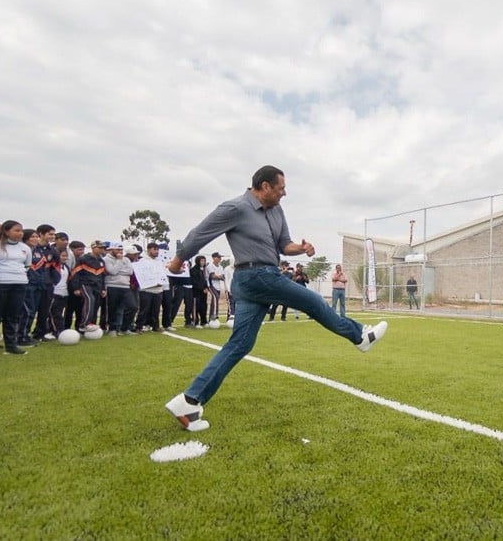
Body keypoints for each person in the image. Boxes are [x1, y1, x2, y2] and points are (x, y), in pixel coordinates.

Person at [163, 165, 388, 432]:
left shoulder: (277, 210)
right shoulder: (235, 208)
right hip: (254, 275)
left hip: (260, 278)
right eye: (281, 188)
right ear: (265, 186)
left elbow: (284, 245)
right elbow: (200, 234)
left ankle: (189, 401)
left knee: (240, 344)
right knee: (313, 302)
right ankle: (359, 336)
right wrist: (177, 261)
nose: (284, 193)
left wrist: (301, 248)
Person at [0, 221, 32, 357]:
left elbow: (27, 265)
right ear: (6, 231)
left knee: (12, 316)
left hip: (19, 283)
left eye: (21, 231)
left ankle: (11, 346)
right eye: (16, 230)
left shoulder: (25, 248)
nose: (20, 233)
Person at [70, 241, 107, 332]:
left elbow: (102, 276)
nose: (102, 250)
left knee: (96, 304)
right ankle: (84, 324)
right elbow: (75, 273)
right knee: (90, 300)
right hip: (85, 284)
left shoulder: (101, 261)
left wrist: (103, 288)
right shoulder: (83, 259)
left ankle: (91, 324)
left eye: (103, 248)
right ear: (93, 248)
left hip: (97, 286)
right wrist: (76, 287)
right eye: (100, 248)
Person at [103, 242, 137, 336]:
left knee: (133, 306)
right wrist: (118, 261)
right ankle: (112, 329)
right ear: (111, 249)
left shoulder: (126, 259)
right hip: (112, 285)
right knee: (113, 308)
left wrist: (118, 270)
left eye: (121, 250)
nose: (120, 252)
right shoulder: (106, 259)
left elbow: (130, 271)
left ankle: (124, 328)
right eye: (117, 249)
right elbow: (112, 271)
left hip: (125, 286)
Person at [134, 243, 168, 333]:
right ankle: (139, 326)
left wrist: (162, 282)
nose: (156, 252)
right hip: (146, 289)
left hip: (158, 290)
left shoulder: (159, 262)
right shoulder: (142, 261)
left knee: (156, 310)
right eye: (154, 249)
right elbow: (141, 275)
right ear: (149, 250)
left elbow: (163, 274)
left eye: (157, 250)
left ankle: (155, 326)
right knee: (144, 309)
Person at [189, 256, 209, 328]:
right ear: (198, 261)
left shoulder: (203, 270)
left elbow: (205, 280)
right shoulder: (193, 270)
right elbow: (194, 282)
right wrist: (202, 288)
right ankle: (195, 322)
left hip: (203, 292)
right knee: (196, 307)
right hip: (196, 292)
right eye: (201, 261)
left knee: (203, 307)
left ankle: (204, 321)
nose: (203, 262)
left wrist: (206, 288)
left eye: (204, 261)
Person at [206, 252, 226, 324]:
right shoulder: (210, 266)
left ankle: (213, 316)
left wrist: (218, 276)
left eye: (220, 257)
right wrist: (219, 276)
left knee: (216, 300)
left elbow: (223, 277)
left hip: (218, 286)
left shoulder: (221, 267)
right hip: (211, 285)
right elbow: (212, 276)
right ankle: (213, 316)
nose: (220, 259)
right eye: (218, 257)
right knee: (215, 298)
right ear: (213, 258)